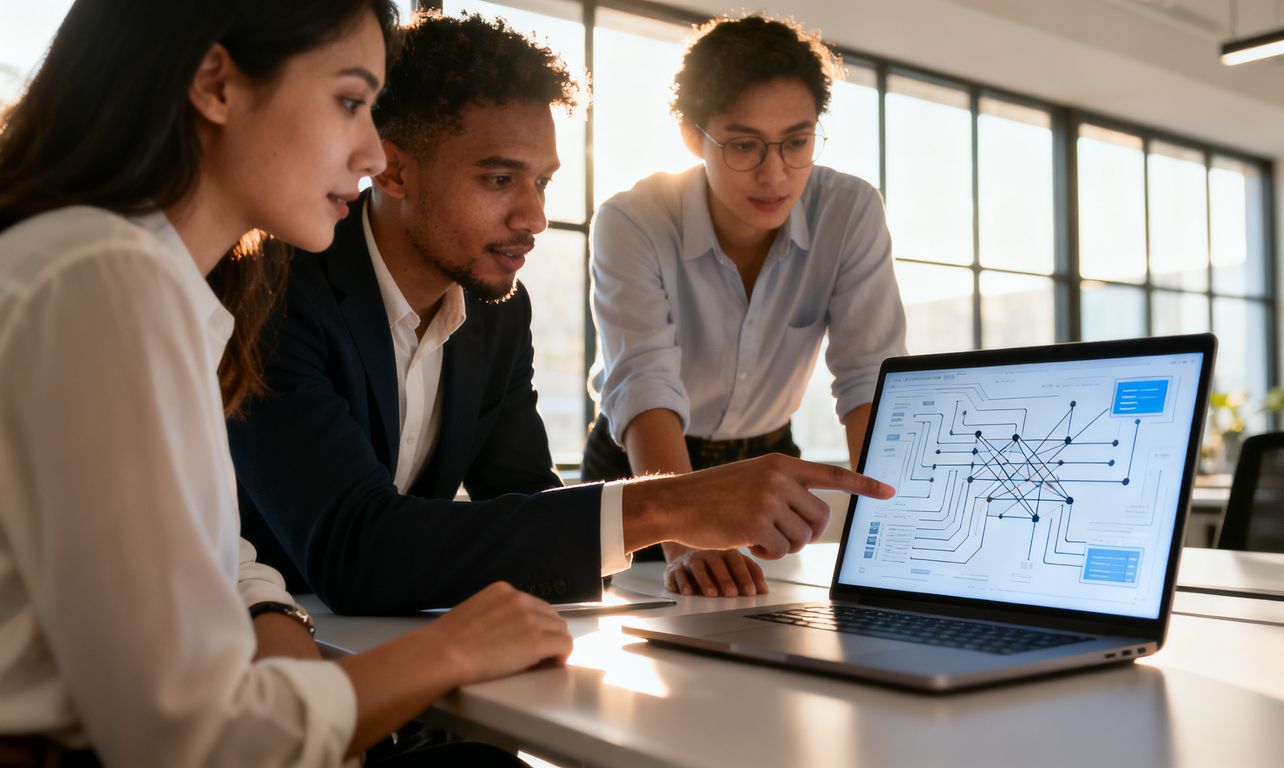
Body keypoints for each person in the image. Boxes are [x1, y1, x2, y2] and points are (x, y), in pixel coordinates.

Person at [0, 2, 572, 765]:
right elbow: (192, 740)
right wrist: (454, 649)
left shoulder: (129, 273)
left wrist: (269, 609)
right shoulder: (103, 278)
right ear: (216, 85)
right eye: (350, 102)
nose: (372, 153)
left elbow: (196, 543)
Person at [226, 12, 896, 616]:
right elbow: (352, 551)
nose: (536, 218)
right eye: (499, 179)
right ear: (394, 172)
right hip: (264, 630)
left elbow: (523, 497)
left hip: (386, 632)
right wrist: (670, 506)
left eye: (542, 182)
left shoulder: (495, 308)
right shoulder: (273, 291)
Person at [583, 15, 909, 599]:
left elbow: (869, 378)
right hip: (644, 464)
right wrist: (682, 533)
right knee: (631, 626)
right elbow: (643, 384)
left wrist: (892, 537)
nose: (774, 174)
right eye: (742, 145)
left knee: (771, 623)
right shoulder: (632, 220)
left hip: (766, 459)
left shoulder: (849, 210)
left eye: (796, 142)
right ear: (693, 136)